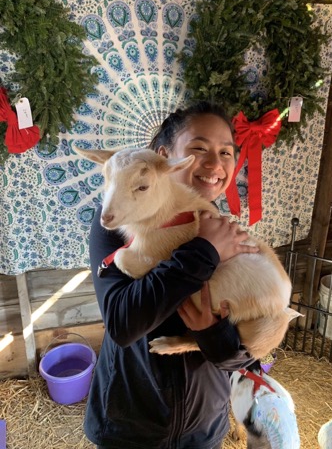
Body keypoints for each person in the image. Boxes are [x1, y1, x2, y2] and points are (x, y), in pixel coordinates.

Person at [84, 101, 259, 449]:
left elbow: (245, 355)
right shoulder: (122, 224)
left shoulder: (223, 231)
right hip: (130, 428)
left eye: (226, 152)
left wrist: (212, 332)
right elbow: (121, 323)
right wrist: (204, 253)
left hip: (203, 428)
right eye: (199, 148)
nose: (214, 164)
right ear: (164, 157)